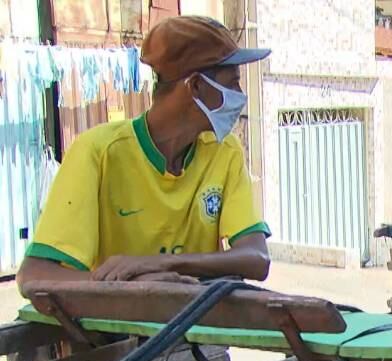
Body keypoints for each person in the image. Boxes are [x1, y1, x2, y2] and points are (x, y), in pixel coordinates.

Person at [16, 15, 271, 293]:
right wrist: (135, 286)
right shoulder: (98, 152)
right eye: (232, 83)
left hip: (196, 317)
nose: (239, 95)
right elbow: (34, 275)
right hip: (113, 321)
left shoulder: (225, 151)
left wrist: (161, 264)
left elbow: (257, 258)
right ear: (196, 86)